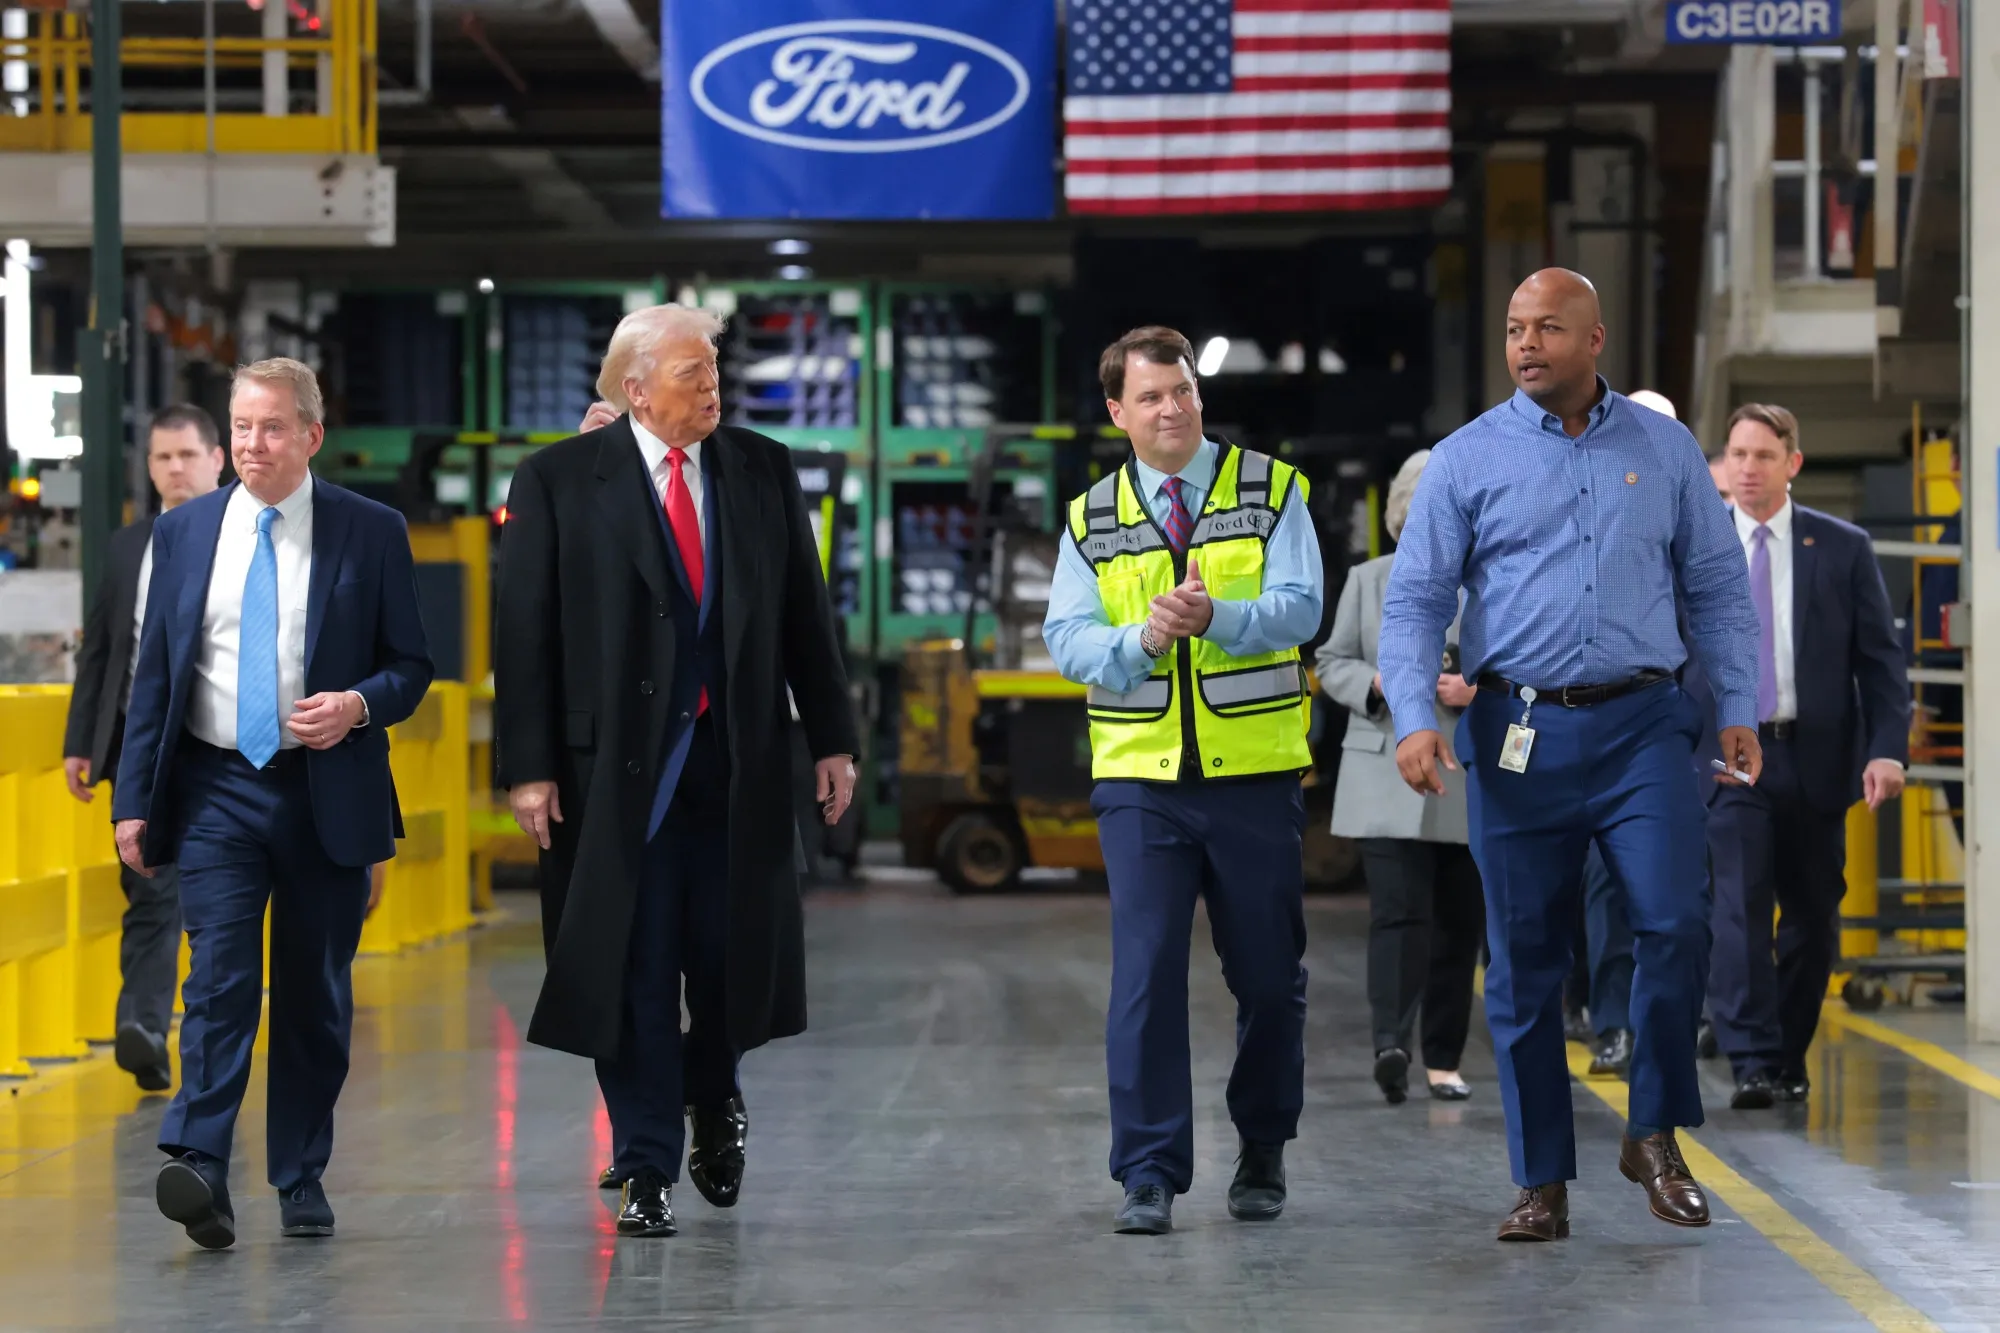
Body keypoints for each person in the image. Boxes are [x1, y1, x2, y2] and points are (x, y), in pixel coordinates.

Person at [1379, 269, 1761, 1243]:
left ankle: (1652, 1131)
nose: (1524, 344)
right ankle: (1540, 1178)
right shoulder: (1466, 459)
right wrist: (1415, 715)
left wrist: (1737, 704)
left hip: (1643, 728)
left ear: (1594, 340)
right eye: (1514, 327)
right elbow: (1416, 599)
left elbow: (1717, 586)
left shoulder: (1664, 450)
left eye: (1547, 327)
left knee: (1675, 922)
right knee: (1523, 963)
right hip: (1518, 736)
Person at [495, 304, 859, 1240]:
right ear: (636, 390)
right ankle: (647, 1161)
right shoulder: (557, 479)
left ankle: (713, 1091)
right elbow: (524, 631)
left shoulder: (762, 468)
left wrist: (832, 737)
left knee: (732, 959)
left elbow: (804, 613)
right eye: (692, 372)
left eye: (714, 368)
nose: (712, 385)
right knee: (634, 969)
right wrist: (528, 767)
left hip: (735, 765)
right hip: (612, 778)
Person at [112, 358, 433, 1250]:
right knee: (217, 977)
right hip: (216, 787)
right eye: (242, 427)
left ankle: (299, 1172)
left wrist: (357, 704)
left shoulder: (370, 531)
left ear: (312, 436)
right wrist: (133, 800)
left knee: (312, 991)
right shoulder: (183, 533)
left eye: (273, 427)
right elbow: (155, 677)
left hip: (324, 789)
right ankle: (199, 1161)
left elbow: (412, 664)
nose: (253, 443)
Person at [1044, 326, 1323, 1236]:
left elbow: (1302, 608)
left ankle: (1264, 1144)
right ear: (1117, 411)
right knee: (1146, 975)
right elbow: (1068, 638)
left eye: (1184, 391)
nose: (1172, 408)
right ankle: (1149, 1171)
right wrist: (1145, 639)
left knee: (1269, 977)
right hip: (1142, 780)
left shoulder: (1271, 489)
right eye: (1151, 396)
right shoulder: (1090, 517)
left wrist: (1217, 618)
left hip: (1254, 772)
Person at [1702, 403, 1908, 1107]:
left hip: (1815, 754)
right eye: (1737, 454)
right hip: (1731, 753)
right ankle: (1752, 1059)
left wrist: (1886, 751)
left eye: (1763, 455)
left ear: (1792, 463)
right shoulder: (1696, 546)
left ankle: (1788, 1052)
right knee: (1738, 909)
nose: (1747, 468)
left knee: (1814, 918)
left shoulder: (1842, 547)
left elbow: (1880, 661)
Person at [62, 404, 225, 1092]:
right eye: (162, 457)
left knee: (215, 897)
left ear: (216, 459)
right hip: (139, 743)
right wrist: (81, 742)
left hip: (219, 744)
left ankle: (195, 1033)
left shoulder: (245, 534)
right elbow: (101, 649)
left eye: (186, 455)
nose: (174, 468)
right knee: (150, 885)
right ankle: (145, 1028)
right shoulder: (129, 546)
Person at [1317, 448, 1483, 1105]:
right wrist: (1379, 682)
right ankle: (1391, 1043)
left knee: (1459, 925)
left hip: (1466, 774)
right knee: (1397, 915)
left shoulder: (1494, 584)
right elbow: (1332, 661)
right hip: (1382, 773)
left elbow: (1530, 661)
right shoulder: (1368, 580)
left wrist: (1476, 687)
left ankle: (1444, 1059)